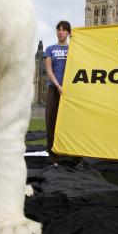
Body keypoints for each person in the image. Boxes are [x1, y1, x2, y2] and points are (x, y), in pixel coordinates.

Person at [44, 20, 83, 168]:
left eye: (64, 30)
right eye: (58, 29)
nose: (60, 32)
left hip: (72, 91)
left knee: (74, 124)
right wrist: (58, 85)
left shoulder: (74, 49)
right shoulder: (50, 49)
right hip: (54, 89)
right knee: (51, 122)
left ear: (68, 32)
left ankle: (77, 158)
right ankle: (54, 158)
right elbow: (49, 70)